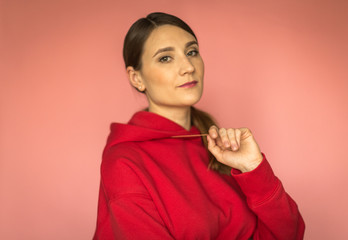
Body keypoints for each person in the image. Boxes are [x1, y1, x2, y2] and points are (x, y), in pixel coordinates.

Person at [93, 12, 305, 240]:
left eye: (192, 52)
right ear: (137, 78)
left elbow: (289, 234)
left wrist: (253, 168)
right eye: (165, 58)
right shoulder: (124, 162)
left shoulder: (218, 146)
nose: (188, 66)